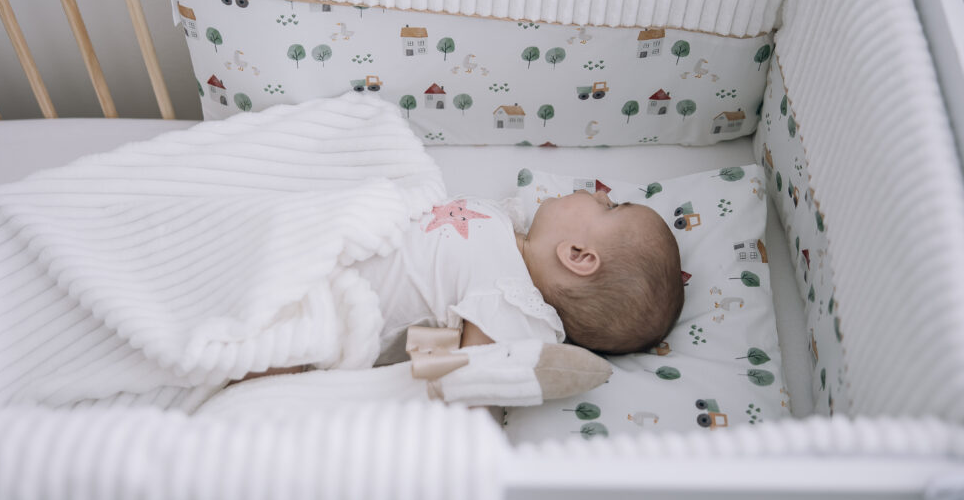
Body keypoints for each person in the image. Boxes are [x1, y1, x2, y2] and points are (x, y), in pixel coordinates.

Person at [238, 187, 684, 382]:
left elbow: (470, 374)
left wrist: (424, 356)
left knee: (267, 351)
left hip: (319, 311)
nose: (602, 193)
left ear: (578, 256)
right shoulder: (506, 227)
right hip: (321, 241)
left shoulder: (513, 300)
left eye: (611, 206)